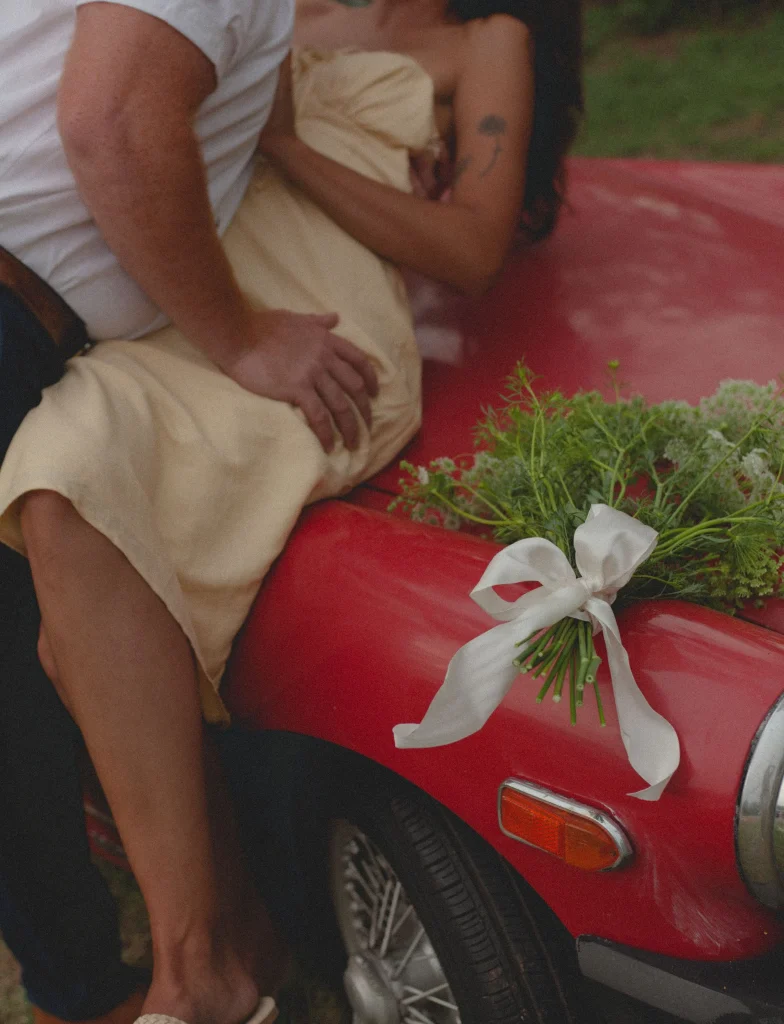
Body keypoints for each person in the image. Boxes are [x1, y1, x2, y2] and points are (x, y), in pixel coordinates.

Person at [0, 1, 583, 1023]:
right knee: (60, 483)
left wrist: (280, 144)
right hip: (193, 280)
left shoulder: (492, 38)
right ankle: (220, 943)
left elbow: (472, 247)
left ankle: (203, 972)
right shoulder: (308, 7)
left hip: (315, 298)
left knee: (83, 515)